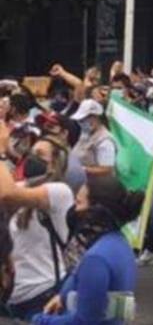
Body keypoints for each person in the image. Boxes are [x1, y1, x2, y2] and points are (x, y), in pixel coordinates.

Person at [30, 174, 140, 325]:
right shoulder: (119, 243)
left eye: (78, 203)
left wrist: (40, 320)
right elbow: (117, 306)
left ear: (96, 210)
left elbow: (85, 321)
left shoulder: (96, 259)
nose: (73, 211)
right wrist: (63, 296)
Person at [0, 128, 73, 320]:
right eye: (32, 153)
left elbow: (7, 194)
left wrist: (0, 151)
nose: (33, 159)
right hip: (13, 296)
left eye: (40, 155)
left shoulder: (60, 192)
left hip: (43, 295)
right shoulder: (26, 185)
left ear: (54, 164)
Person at [66, 102, 115, 179]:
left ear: (95, 117)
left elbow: (106, 169)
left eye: (84, 120)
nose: (81, 123)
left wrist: (83, 169)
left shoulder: (105, 141)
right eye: (80, 121)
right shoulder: (86, 133)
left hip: (96, 184)